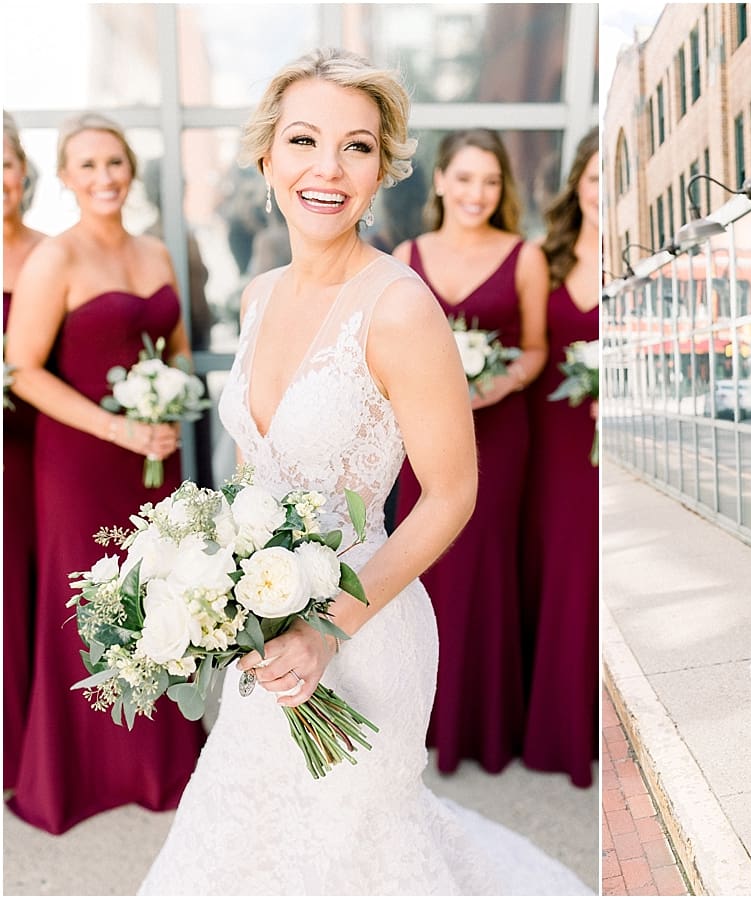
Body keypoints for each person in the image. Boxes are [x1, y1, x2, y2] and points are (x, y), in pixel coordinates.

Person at [137, 49, 585, 894]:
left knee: (353, 854)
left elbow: (452, 493)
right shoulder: (260, 292)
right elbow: (250, 468)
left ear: (383, 170)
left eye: (358, 147)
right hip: (261, 637)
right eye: (305, 140)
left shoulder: (403, 308)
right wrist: (218, 587)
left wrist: (322, 625)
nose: (328, 170)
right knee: (243, 836)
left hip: (365, 637)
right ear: (267, 154)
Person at [5, 113, 205, 833]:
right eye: (87, 165)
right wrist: (118, 424)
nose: (104, 177)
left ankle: (155, 761)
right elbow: (22, 369)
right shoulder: (54, 260)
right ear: (63, 177)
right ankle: (83, 769)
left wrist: (175, 391)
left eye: (114, 162)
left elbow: (177, 345)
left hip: (156, 450)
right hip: (84, 458)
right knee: (91, 606)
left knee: (164, 594)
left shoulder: (156, 251)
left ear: (132, 169)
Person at [391, 128, 549, 775]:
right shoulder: (406, 254)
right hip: (420, 437)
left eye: (489, 181)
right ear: (440, 183)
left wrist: (497, 382)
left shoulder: (525, 255)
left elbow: (537, 348)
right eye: (464, 178)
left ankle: (479, 723)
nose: (476, 193)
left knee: (481, 566)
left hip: (498, 434)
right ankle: (416, 717)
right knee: (422, 567)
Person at [520, 127, 599, 787]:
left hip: (603, 446)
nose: (605, 191)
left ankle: (583, 730)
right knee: (546, 569)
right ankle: (543, 727)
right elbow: (528, 349)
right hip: (545, 442)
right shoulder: (543, 259)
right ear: (578, 182)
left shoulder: (638, 258)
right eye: (596, 176)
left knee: (586, 574)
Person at [3, 112, 47, 791]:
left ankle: (30, 740)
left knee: (27, 583)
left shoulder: (52, 251)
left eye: (6, 162)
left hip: (37, 444)